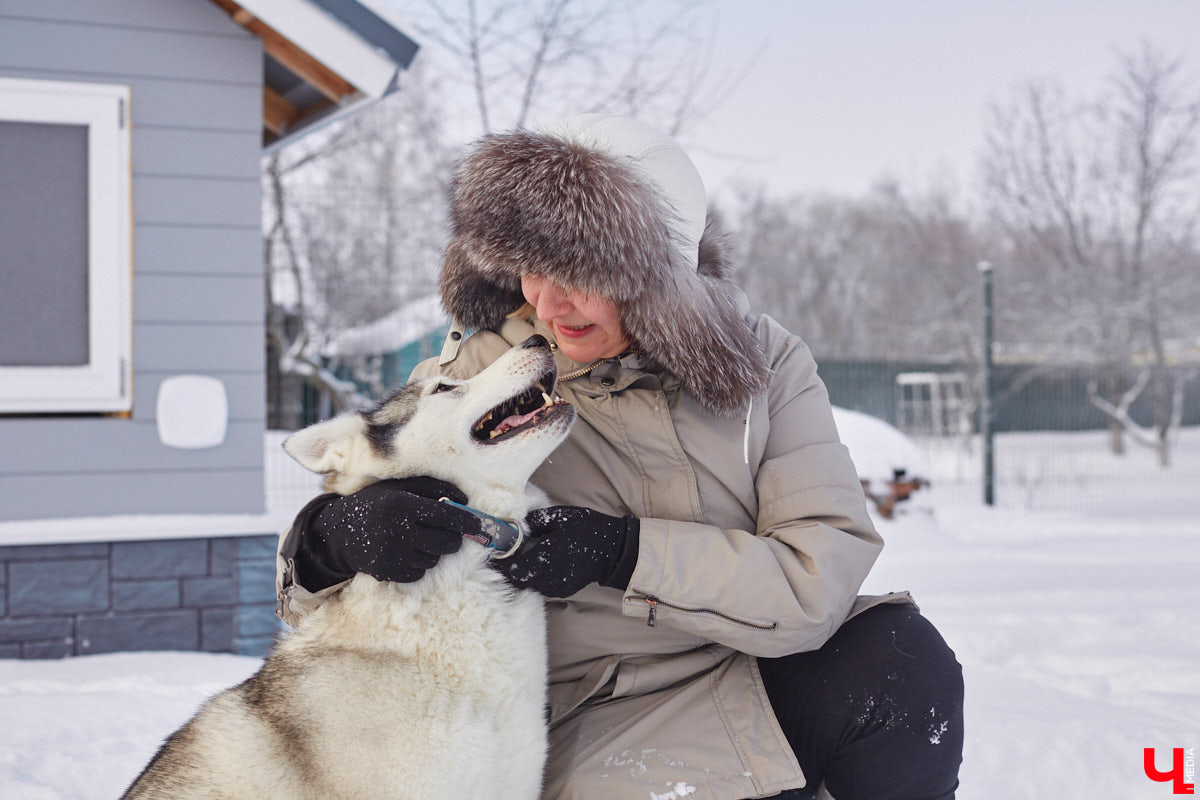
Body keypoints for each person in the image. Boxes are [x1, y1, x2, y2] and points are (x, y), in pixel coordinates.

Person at [276, 114, 964, 800]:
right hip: (589, 720)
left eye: (581, 271)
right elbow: (314, 595)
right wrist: (331, 540)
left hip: (753, 674)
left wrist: (624, 554)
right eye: (533, 266)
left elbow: (818, 578)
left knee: (900, 660)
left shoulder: (766, 366)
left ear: (662, 278)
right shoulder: (487, 378)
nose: (547, 301)